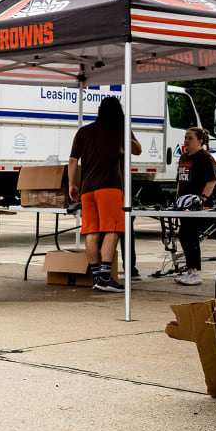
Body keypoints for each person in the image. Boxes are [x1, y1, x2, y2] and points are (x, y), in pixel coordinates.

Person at [67, 97, 141, 292]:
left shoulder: (84, 131)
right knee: (112, 229)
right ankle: (106, 277)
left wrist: (71, 185)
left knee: (91, 232)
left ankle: (96, 276)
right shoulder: (120, 129)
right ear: (119, 112)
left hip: (87, 188)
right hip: (110, 187)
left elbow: (73, 161)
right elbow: (138, 150)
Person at [173, 127, 216, 286]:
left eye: (190, 138)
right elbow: (180, 180)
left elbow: (212, 181)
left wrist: (202, 199)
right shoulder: (184, 156)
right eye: (185, 137)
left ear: (200, 140)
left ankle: (195, 272)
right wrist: (178, 198)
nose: (186, 140)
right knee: (184, 235)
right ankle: (191, 270)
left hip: (198, 206)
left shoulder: (205, 158)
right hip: (184, 205)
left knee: (189, 235)